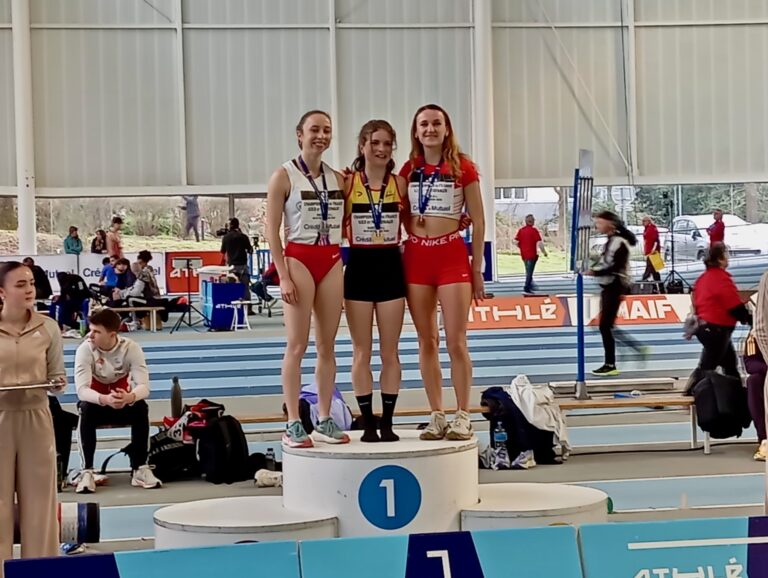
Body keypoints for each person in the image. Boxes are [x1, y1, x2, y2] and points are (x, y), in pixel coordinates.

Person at [398, 104, 485, 441]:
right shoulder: (409, 168)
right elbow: (396, 209)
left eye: (437, 123)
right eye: (424, 124)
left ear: (446, 129)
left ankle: (463, 414)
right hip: (418, 258)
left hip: (452, 257)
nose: (430, 129)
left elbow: (478, 219)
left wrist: (476, 268)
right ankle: (437, 413)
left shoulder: (463, 167)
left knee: (456, 341)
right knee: (426, 341)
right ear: (416, 132)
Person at [266, 110, 348, 448]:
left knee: (327, 346)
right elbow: (271, 231)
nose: (321, 136)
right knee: (297, 345)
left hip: (330, 259)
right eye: (315, 129)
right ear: (299, 134)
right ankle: (293, 422)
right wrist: (283, 276)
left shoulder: (338, 179)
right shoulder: (283, 177)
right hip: (299, 259)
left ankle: (325, 418)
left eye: (327, 130)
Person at [343, 120, 408, 442]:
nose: (381, 149)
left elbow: (415, 222)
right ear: (362, 146)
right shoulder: (347, 183)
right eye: (374, 143)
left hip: (391, 268)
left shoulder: (401, 184)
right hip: (358, 268)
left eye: (386, 144)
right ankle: (367, 420)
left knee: (390, 351)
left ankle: (388, 421)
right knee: (361, 352)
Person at [0, 261, 67, 574]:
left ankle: (40, 571)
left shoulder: (48, 327)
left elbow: (57, 376)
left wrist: (57, 383)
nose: (29, 290)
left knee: (39, 503)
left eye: (30, 283)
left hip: (36, 418)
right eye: (20, 285)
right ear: (2, 292)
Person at [74, 308, 161, 493]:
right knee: (85, 408)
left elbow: (144, 386)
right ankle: (87, 470)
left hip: (123, 403)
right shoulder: (85, 349)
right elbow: (82, 390)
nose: (90, 335)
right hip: (98, 405)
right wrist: (104, 399)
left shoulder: (131, 348)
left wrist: (130, 397)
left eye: (96, 332)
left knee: (140, 407)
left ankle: (140, 468)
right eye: (91, 329)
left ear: (112, 335)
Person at [587, 211, 646, 376]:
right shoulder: (610, 242)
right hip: (609, 286)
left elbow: (615, 268)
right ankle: (631, 350)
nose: (597, 226)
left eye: (599, 223)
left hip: (615, 286)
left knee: (605, 325)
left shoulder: (619, 243)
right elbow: (606, 263)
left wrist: (595, 272)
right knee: (605, 325)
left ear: (610, 224)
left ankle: (611, 363)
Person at [686, 243, 752, 389]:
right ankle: (692, 392)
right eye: (726, 255)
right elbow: (733, 305)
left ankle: (736, 394)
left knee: (729, 363)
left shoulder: (703, 278)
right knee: (708, 365)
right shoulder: (721, 278)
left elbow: (697, 301)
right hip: (717, 328)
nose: (728, 258)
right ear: (721, 259)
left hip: (706, 327)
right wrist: (749, 318)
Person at [220, 218, 254, 314]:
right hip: (243, 265)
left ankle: (232, 307)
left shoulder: (226, 237)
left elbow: (222, 251)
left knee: (231, 287)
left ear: (230, 225)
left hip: (231, 266)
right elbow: (250, 250)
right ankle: (248, 309)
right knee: (245, 287)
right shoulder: (243, 236)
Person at [743, 329, 766, 461]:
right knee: (753, 381)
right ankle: (764, 438)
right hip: (765, 374)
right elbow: (750, 363)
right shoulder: (756, 333)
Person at [514, 214, 547, 295]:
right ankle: (527, 287)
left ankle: (531, 285)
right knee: (530, 272)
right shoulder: (534, 231)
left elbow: (515, 242)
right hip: (532, 254)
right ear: (532, 222)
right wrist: (544, 252)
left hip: (524, 254)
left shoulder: (521, 230)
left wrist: (521, 247)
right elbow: (539, 242)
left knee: (528, 270)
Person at [640, 215, 662, 286]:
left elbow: (655, 240)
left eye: (644, 221)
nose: (642, 223)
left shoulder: (652, 229)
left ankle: (643, 281)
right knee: (654, 269)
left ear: (648, 221)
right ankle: (660, 285)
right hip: (650, 251)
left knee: (649, 267)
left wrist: (653, 250)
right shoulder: (647, 229)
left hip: (653, 252)